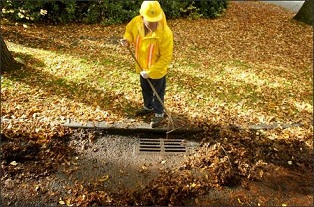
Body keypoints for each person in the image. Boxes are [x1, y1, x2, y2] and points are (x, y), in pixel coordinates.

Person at [120, 1, 173, 128]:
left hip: (157, 72)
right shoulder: (136, 22)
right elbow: (129, 32)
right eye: (151, 21)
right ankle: (148, 107)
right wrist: (127, 40)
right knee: (146, 89)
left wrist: (150, 72)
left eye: (156, 20)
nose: (154, 24)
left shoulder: (165, 33)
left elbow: (165, 58)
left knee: (158, 92)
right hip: (141, 67)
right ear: (143, 18)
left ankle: (159, 113)